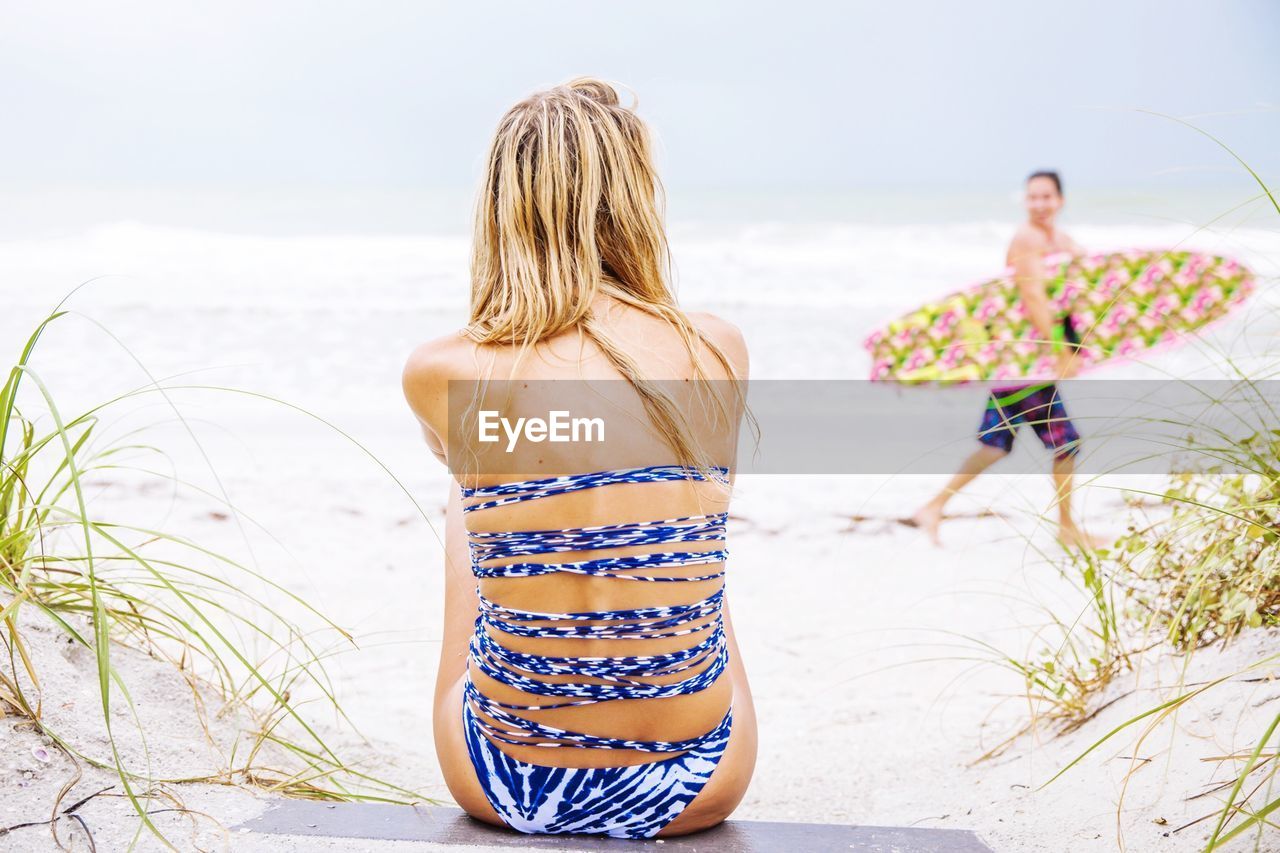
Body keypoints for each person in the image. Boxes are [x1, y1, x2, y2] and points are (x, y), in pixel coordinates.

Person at [400, 78, 757, 840]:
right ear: (633, 200)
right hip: (703, 780)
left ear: (503, 205)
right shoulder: (713, 348)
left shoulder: (443, 369)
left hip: (502, 777)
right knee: (688, 523)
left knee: (471, 508)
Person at [909, 171, 1103, 550]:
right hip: (1024, 363)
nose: (1039, 204)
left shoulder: (1061, 240)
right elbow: (1032, 297)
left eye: (1046, 197)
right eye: (1033, 198)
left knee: (996, 445)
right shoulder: (1027, 238)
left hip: (1020, 364)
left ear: (1060, 200)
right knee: (1066, 444)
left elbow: (1082, 283)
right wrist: (1061, 351)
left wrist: (1085, 341)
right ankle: (1066, 530)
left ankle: (932, 507)